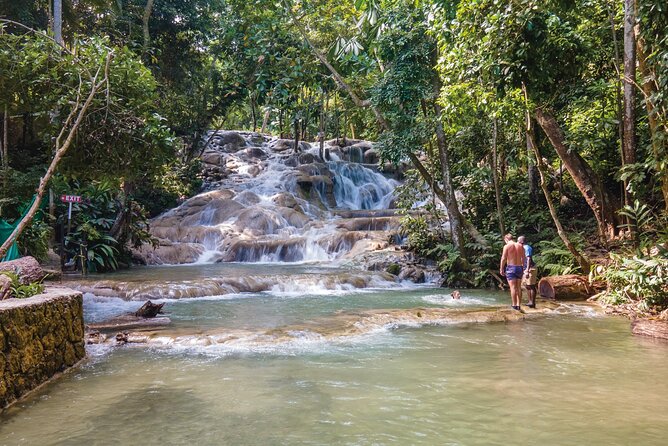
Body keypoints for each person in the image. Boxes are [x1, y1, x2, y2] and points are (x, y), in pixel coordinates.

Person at [500, 233, 526, 311]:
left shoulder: (507, 246)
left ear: (506, 239)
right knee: (518, 287)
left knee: (513, 288)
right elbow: (524, 258)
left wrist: (501, 268)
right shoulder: (520, 246)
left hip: (511, 267)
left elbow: (503, 258)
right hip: (519, 267)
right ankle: (519, 305)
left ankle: (514, 305)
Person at [518, 235, 537, 308]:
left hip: (530, 268)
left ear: (521, 241)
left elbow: (528, 259)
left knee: (531, 285)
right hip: (526, 268)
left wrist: (527, 270)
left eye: (518, 241)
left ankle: (532, 302)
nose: (517, 242)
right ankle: (530, 301)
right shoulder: (522, 248)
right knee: (527, 285)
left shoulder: (527, 248)